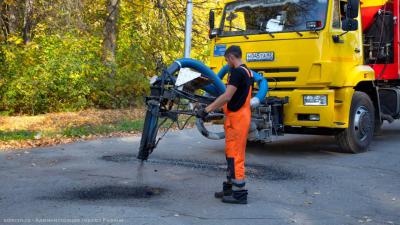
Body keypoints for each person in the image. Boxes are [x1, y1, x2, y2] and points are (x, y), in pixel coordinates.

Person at [197, 45, 253, 204]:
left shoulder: (237, 72)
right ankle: (230, 188)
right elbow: (236, 97)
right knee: (230, 153)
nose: (226, 63)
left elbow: (227, 96)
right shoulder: (248, 72)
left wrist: (207, 110)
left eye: (226, 60)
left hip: (238, 118)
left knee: (235, 155)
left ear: (231, 57)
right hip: (238, 117)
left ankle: (239, 193)